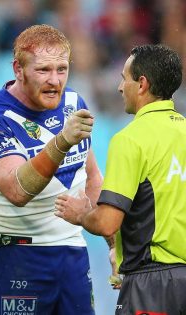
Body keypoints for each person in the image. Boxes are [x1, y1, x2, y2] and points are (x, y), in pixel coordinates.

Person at [0, 24, 111, 315]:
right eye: (44, 70)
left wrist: (113, 243)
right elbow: (18, 191)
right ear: (17, 69)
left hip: (73, 251)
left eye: (62, 69)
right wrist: (61, 143)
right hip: (16, 254)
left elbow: (92, 175)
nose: (55, 80)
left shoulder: (73, 103)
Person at [55, 44, 186, 315]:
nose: (119, 87)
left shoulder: (130, 139)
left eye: (124, 78)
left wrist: (81, 214)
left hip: (153, 285)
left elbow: (107, 222)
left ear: (142, 84)